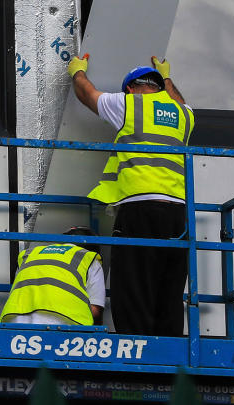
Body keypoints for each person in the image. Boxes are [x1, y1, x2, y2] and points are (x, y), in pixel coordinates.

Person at [66, 54, 193, 336]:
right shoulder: (184, 114)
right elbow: (178, 101)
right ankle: (169, 352)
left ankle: (137, 347)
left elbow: (88, 95)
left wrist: (77, 71)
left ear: (132, 87)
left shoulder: (129, 104)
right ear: (160, 86)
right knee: (169, 286)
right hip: (178, 215)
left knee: (132, 284)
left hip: (139, 208)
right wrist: (167, 76)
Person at [0, 227, 106, 326]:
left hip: (14, 320)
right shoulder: (89, 258)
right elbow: (95, 310)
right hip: (62, 322)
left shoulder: (29, 254)